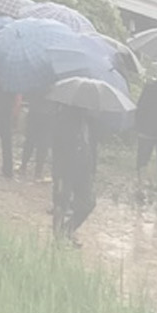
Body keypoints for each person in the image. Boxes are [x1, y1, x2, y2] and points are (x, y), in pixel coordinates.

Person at [52, 104, 97, 245]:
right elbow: (57, 146)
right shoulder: (63, 120)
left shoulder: (86, 122)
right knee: (61, 203)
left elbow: (90, 145)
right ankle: (58, 238)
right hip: (65, 168)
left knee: (88, 203)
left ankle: (66, 231)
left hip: (83, 169)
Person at [20, 96, 53, 182]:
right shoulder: (56, 85)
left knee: (30, 142)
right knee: (43, 145)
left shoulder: (35, 84)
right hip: (48, 115)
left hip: (34, 113)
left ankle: (23, 166)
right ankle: (38, 172)